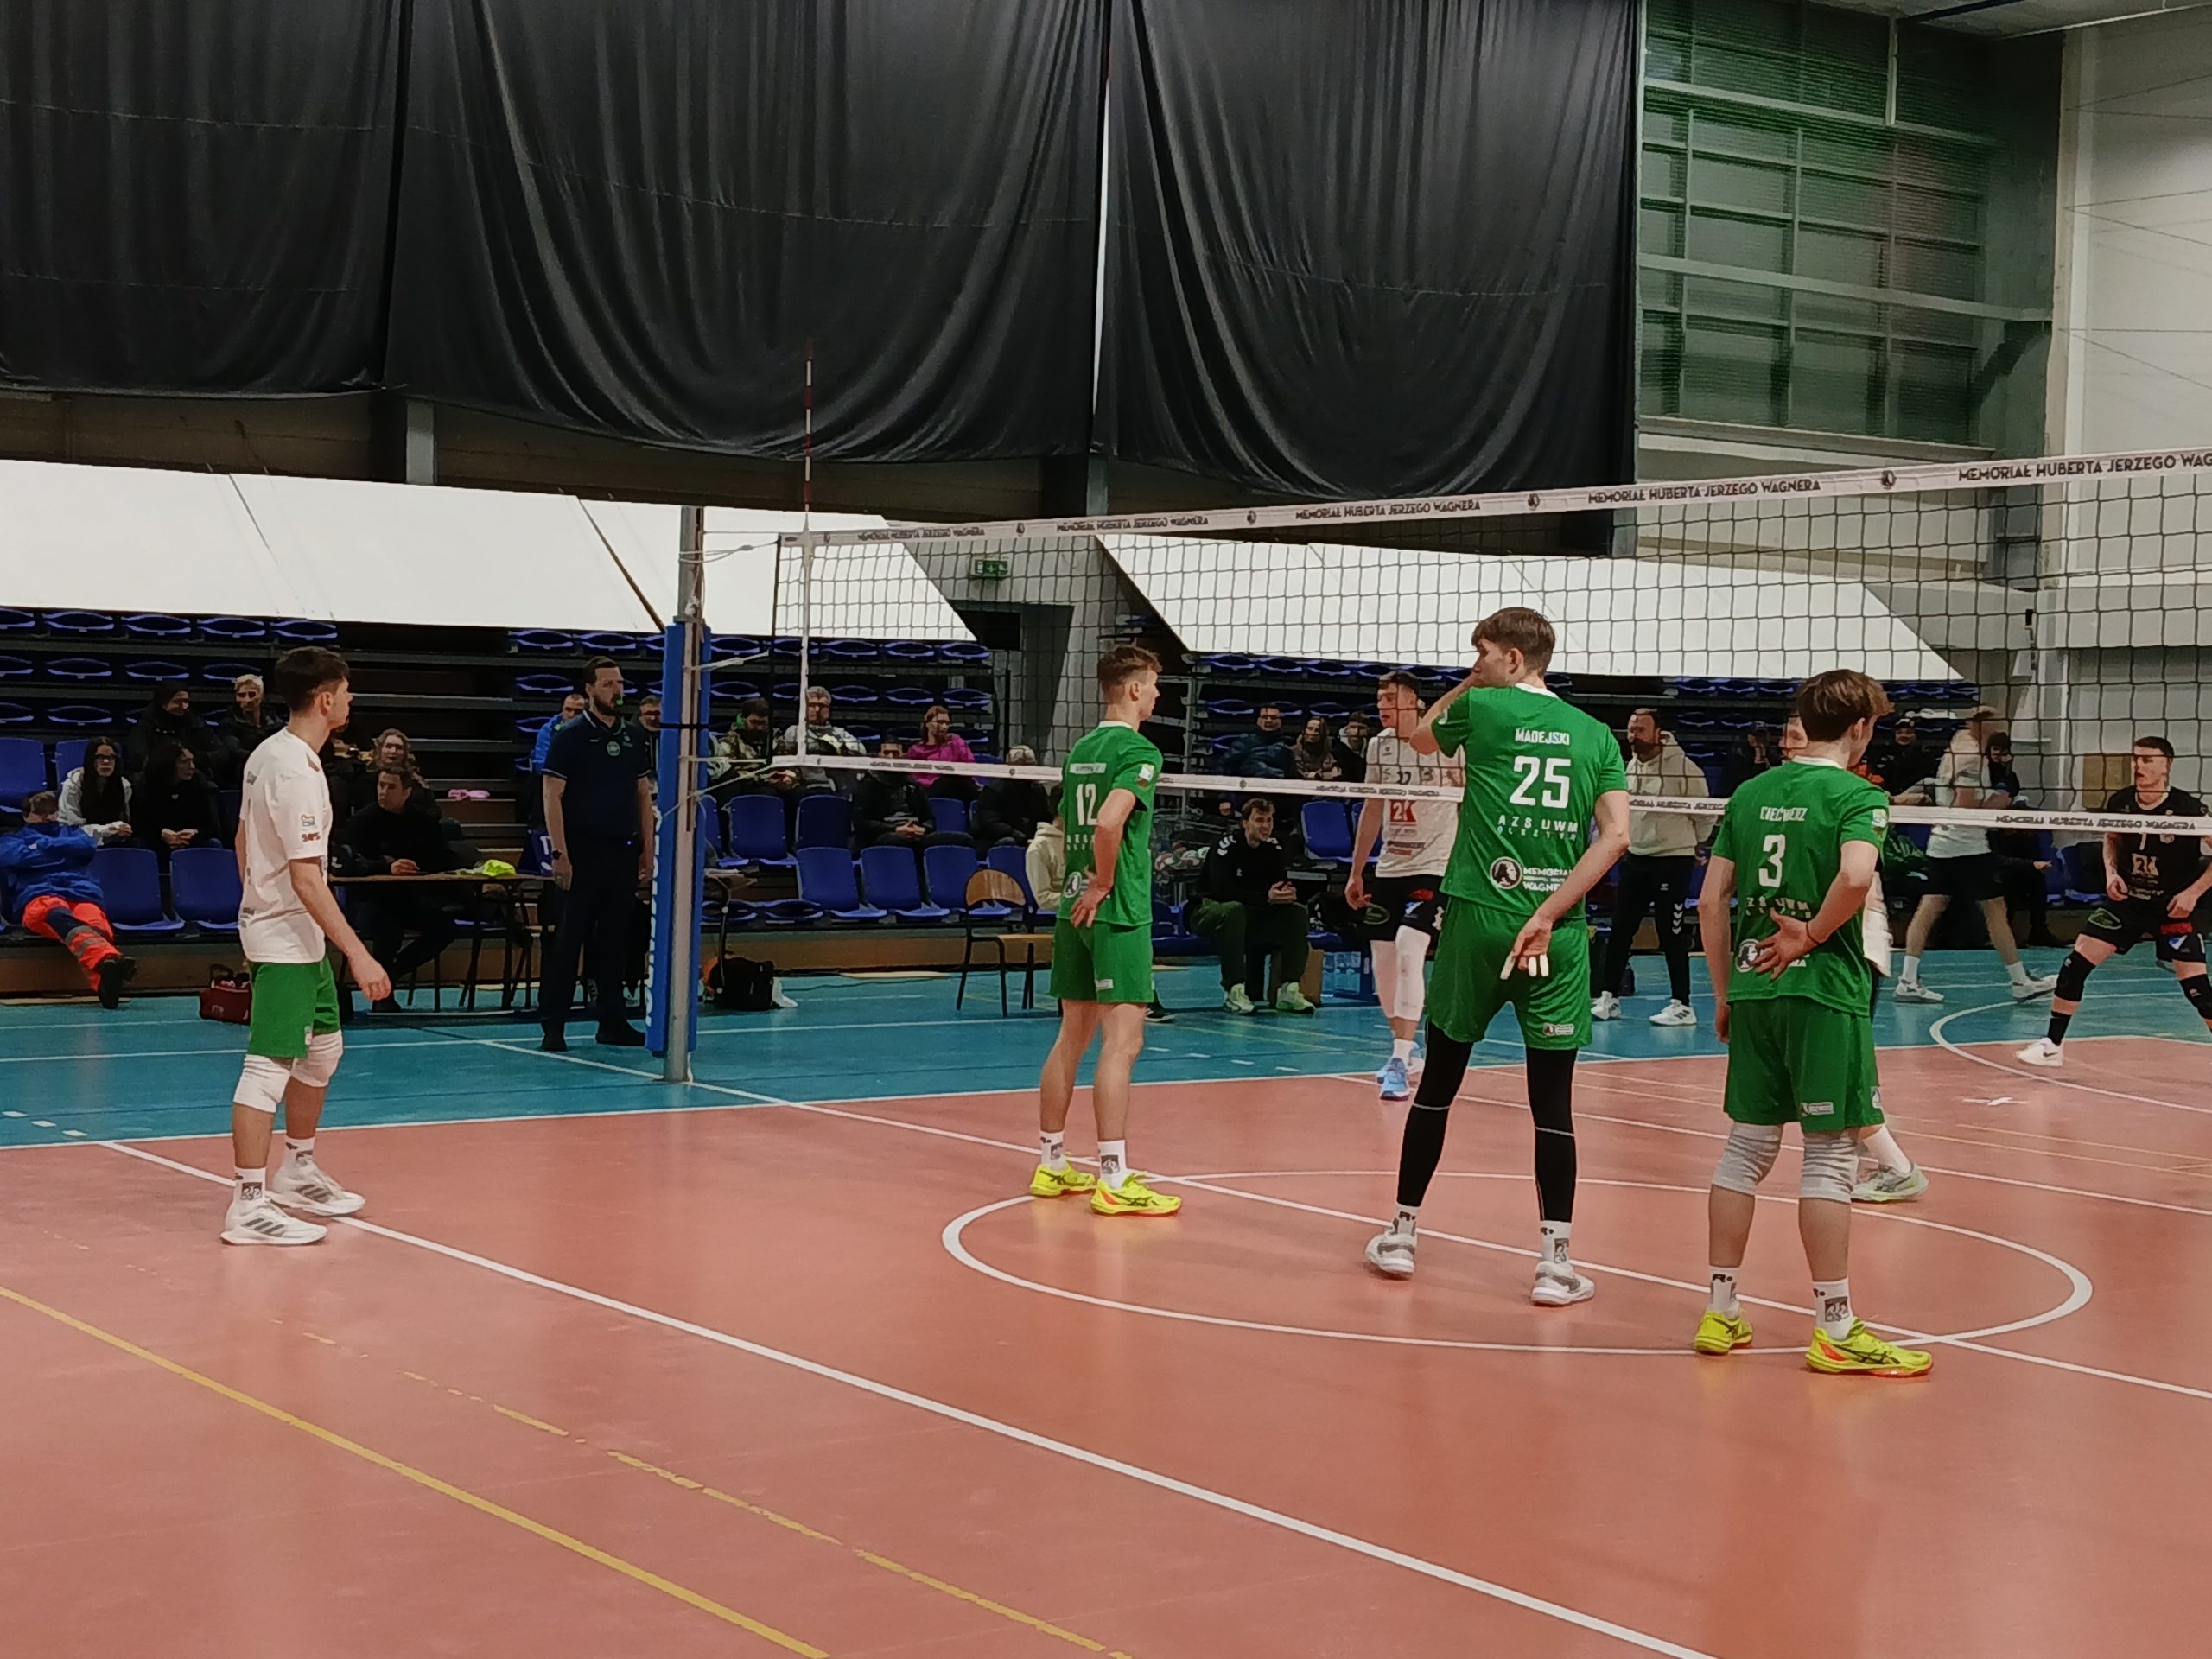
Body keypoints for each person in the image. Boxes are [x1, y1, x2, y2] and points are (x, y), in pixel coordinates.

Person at [1363, 608, 1630, 1306]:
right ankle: (1555, 1264)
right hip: (1556, 935)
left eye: (1482, 653)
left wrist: (1466, 685)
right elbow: (1616, 837)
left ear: (1513, 658)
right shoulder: (1596, 734)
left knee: (1438, 1086)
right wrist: (1547, 913)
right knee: (1553, 1104)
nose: (1474, 663)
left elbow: (1420, 737)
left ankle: (1402, 1235)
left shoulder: (1480, 706)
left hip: (1479, 919)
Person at [1693, 670, 1932, 1376]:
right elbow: (1856, 876)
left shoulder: (1750, 793)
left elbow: (1710, 901)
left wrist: (1725, 993)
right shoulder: (1858, 795)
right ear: (1860, 728)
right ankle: (1834, 1327)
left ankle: (1721, 1310)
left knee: (1745, 1150)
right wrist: (1812, 934)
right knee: (1829, 1156)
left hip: (1752, 986)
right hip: (1824, 991)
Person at [223, 645, 391, 1246]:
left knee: (322, 1051)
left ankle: (296, 1168)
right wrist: (359, 954)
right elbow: (306, 879)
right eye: (345, 691)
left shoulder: (272, 753)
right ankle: (247, 1204)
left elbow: (242, 838)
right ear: (325, 699)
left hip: (295, 931)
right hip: (285, 934)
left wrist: (251, 905)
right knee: (268, 1067)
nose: (350, 700)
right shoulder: (293, 769)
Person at [1029, 645, 1179, 1217]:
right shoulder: (1139, 750)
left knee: (1071, 1035)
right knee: (1123, 1042)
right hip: (1115, 908)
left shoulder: (1082, 750)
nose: (1158, 695)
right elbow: (1110, 821)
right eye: (1154, 685)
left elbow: (1075, 822)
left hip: (1073, 907)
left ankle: (1051, 1164)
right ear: (1135, 689)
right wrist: (1105, 881)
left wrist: (1085, 885)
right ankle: (1114, 1179)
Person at [1783, 716, 1927, 1205]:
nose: (1788, 745)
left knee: (1838, 1068)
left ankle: (1896, 1167)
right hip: (1816, 947)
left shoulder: (1850, 798)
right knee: (1822, 1067)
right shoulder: (1788, 796)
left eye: (1797, 737)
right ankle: (1878, 1159)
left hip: (1851, 948)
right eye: (1786, 736)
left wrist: (1813, 932)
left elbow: (1855, 878)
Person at [2019, 735, 2212, 1068]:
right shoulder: (2121, 802)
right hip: (2128, 905)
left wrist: (2193, 892)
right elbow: (2111, 837)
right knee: (2074, 967)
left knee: (2197, 989)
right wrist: (2111, 874)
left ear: (2166, 765)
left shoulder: (2188, 808)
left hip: (2171, 909)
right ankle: (2052, 1046)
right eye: (2136, 758)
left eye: (2147, 759)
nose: (2138, 765)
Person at [1345, 671, 1461, 1100]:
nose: (1382, 706)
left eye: (1391, 698)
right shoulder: (1379, 746)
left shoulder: (1447, 743)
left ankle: (1398, 1058)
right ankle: (1407, 1048)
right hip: (1391, 866)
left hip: (1436, 866)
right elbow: (1373, 808)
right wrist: (1358, 870)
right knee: (1384, 963)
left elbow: (1469, 800)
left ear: (1414, 700)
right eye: (1379, 698)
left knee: (1411, 948)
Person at [1893, 709, 2056, 1005]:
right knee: (1995, 907)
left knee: (1930, 906)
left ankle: (1907, 980)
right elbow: (1965, 806)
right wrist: (1998, 803)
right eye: (1995, 723)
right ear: (1982, 725)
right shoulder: (1971, 757)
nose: (2000, 728)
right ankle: (2020, 981)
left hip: (1941, 842)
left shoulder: (1961, 742)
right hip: (1965, 846)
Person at [539, 657, 654, 1051]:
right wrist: (559, 853)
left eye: (619, 683)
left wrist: (647, 850)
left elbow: (642, 795)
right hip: (581, 853)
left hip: (621, 852)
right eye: (607, 684)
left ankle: (612, 1021)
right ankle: (554, 1024)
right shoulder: (570, 736)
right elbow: (552, 795)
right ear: (589, 689)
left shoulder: (634, 736)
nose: (616, 690)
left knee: (615, 941)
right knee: (569, 941)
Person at [1594, 709, 1706, 1028]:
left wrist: (1692, 844)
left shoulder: (1685, 769)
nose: (1634, 736)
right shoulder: (1628, 766)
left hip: (1673, 861)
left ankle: (1682, 1005)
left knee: (1671, 934)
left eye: (1641, 730)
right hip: (1636, 858)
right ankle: (1609, 997)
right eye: (1631, 730)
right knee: (1621, 930)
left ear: (1659, 733)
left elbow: (1705, 814)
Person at [1027, 792, 1173, 1026]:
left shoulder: (1094, 839)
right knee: (1079, 1015)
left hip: (1104, 909)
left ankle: (1143, 1000)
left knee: (1133, 939)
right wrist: (1080, 900)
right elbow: (1043, 898)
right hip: (1072, 917)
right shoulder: (1039, 848)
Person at [340, 766, 463, 1013]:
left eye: (391, 787)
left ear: (406, 792)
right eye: (381, 785)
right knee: (388, 930)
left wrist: (419, 866)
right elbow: (347, 863)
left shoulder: (422, 820)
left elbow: (442, 856)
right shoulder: (361, 821)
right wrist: (386, 867)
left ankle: (390, 975)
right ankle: (382, 996)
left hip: (408, 898)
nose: (383, 791)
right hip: (367, 900)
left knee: (444, 927)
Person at [0, 792, 135, 1007]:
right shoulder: (11, 840)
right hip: (39, 895)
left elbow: (86, 847)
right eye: (40, 812)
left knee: (96, 924)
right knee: (54, 913)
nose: (47, 817)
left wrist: (43, 845)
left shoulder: (74, 833)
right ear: (26, 816)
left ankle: (105, 981)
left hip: (82, 893)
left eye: (52, 811)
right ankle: (110, 961)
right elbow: (16, 857)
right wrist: (64, 851)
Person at [1194, 798, 1315, 1015]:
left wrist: (1285, 895)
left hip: (1251, 912)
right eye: (1259, 820)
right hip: (1207, 909)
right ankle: (1234, 991)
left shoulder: (1274, 847)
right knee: (1234, 910)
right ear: (1244, 823)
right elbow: (1221, 891)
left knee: (1296, 912)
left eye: (1269, 820)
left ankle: (1288, 991)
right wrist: (1265, 898)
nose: (1266, 826)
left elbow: (1277, 885)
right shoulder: (1226, 846)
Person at [1985, 733, 2058, 948]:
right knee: (2009, 877)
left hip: (2009, 828)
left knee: (2036, 878)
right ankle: (2005, 932)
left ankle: (2039, 930)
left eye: (2004, 751)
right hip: (1989, 830)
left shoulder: (2011, 775)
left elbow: (2014, 796)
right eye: (1996, 750)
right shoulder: (1982, 773)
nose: (1999, 755)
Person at [851, 738, 969, 848]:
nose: (891, 758)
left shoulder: (912, 783)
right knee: (897, 840)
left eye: (895, 753)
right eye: (886, 753)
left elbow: (930, 819)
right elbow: (862, 822)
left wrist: (923, 829)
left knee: (962, 840)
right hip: (885, 834)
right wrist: (896, 829)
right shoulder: (868, 784)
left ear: (903, 756)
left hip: (916, 833)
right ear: (879, 755)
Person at [130, 741, 224, 868]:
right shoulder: (144, 788)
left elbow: (212, 826)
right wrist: (162, 834)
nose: (192, 767)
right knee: (138, 844)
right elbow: (139, 825)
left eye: (192, 761)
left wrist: (195, 834)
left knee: (213, 844)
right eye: (184, 762)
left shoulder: (200, 786)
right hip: (157, 842)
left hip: (191, 842)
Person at [779, 687, 868, 794]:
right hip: (805, 787)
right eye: (812, 705)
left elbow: (861, 751)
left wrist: (840, 748)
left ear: (828, 710)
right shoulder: (794, 731)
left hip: (833, 787)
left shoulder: (839, 733)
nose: (817, 710)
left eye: (822, 706)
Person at [124, 684, 217, 776]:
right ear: (163, 703)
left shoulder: (196, 723)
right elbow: (138, 760)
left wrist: (198, 760)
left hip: (195, 776)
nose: (183, 706)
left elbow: (218, 752)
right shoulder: (144, 727)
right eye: (177, 702)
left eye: (185, 701)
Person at [57, 736, 133, 844]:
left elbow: (125, 818)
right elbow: (71, 828)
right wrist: (105, 831)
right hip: (78, 841)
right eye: (100, 757)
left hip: (113, 840)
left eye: (111, 757)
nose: (106, 761)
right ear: (91, 759)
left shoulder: (124, 786)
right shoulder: (73, 785)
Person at [213, 672, 283, 786]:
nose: (247, 700)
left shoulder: (275, 722)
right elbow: (234, 751)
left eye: (252, 694)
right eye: (241, 695)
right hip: (244, 774)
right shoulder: (229, 724)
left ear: (261, 696)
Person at [975, 747, 1051, 847]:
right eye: (1023, 767)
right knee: (1009, 842)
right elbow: (989, 822)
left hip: (1030, 839)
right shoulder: (994, 789)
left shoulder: (1037, 789)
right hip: (995, 840)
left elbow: (1044, 817)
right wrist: (1014, 833)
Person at [906, 702, 977, 800]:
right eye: (940, 722)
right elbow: (916, 777)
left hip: (959, 787)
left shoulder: (956, 742)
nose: (944, 726)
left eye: (947, 723)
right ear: (927, 724)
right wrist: (934, 781)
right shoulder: (916, 750)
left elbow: (969, 766)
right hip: (931, 790)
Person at [1223, 704, 1291, 777]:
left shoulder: (1287, 745)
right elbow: (1225, 766)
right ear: (1258, 721)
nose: (1269, 720)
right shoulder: (1245, 741)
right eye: (1265, 717)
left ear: (1280, 722)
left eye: (1273, 718)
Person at [1721, 724, 1777, 794]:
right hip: (1734, 792)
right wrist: (1758, 750)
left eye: (1763, 735)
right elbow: (1750, 780)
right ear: (1749, 737)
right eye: (1757, 736)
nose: (1760, 739)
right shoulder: (1739, 753)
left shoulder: (1772, 752)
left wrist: (1762, 751)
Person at [1288, 716, 1343, 784]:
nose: (1312, 733)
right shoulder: (1293, 751)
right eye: (1310, 729)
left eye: (1317, 730)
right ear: (1304, 730)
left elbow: (1335, 772)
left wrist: (1318, 775)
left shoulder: (1333, 749)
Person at [1334, 713, 1372, 783]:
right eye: (1352, 727)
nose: (1356, 732)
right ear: (1346, 729)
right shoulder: (1334, 749)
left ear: (1368, 730)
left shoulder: (1372, 748)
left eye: (1361, 728)